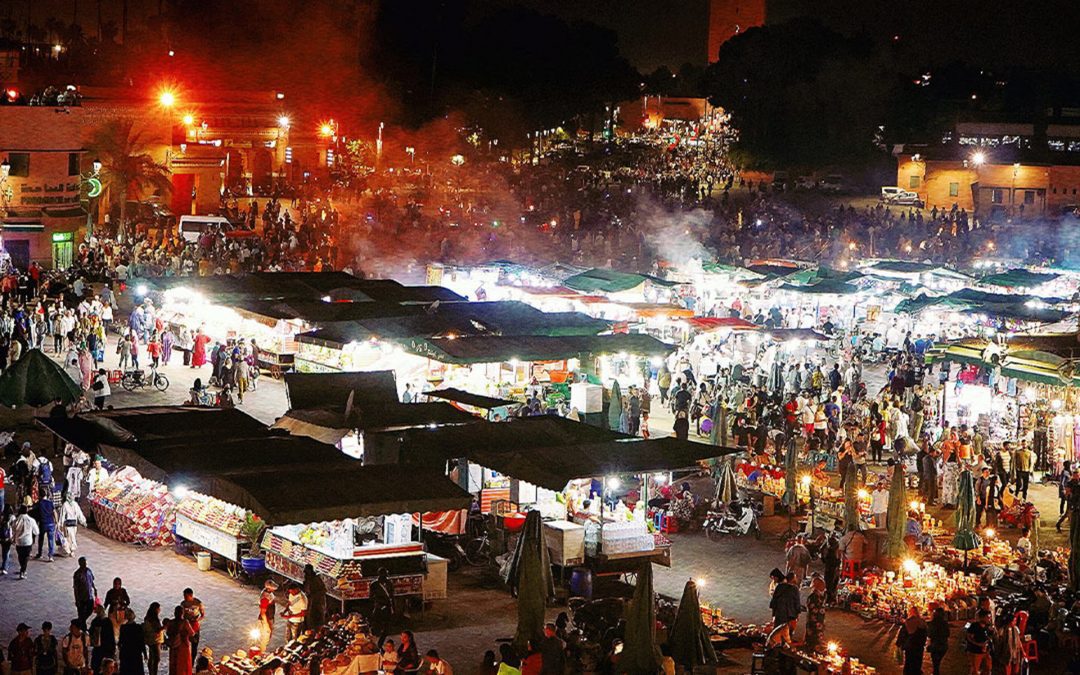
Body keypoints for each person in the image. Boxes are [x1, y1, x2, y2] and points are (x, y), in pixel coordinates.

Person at [896, 606, 927, 675]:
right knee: (917, 662)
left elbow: (902, 634)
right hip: (919, 647)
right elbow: (925, 634)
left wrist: (899, 644)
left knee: (909, 663)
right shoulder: (922, 622)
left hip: (910, 647)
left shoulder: (908, 622)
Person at [12, 504, 39, 579]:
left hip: (19, 542)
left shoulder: (16, 520)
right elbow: (36, 532)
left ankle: (22, 568)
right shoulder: (31, 520)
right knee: (26, 557)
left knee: (20, 556)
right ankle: (23, 570)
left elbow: (13, 530)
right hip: (28, 541)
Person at [165, 606, 193, 675]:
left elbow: (168, 633)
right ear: (182, 613)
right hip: (183, 646)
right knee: (183, 665)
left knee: (174, 664)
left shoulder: (171, 622)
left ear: (175, 613)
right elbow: (191, 633)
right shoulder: (185, 622)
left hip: (173, 647)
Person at [965, 610, 994, 675]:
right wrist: (978, 644)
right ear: (982, 617)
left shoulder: (987, 627)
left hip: (986, 651)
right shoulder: (974, 626)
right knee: (975, 670)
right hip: (976, 652)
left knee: (988, 668)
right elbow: (968, 637)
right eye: (988, 617)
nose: (989, 619)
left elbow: (989, 637)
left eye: (990, 617)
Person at [117, 609, 145, 675]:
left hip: (126, 652)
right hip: (136, 652)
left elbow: (120, 641)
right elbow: (141, 641)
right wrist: (145, 653)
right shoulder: (138, 627)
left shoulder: (123, 628)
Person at [179, 589, 204, 664]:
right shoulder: (183, 604)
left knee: (194, 645)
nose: (184, 597)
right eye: (184, 596)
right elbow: (181, 616)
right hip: (186, 625)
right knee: (184, 645)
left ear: (191, 595)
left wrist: (198, 621)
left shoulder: (198, 603)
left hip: (195, 625)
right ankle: (185, 662)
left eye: (186, 596)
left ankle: (191, 663)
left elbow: (202, 615)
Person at [371, 568, 395, 646]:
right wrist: (380, 603)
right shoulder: (374, 584)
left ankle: (380, 643)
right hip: (379, 608)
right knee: (376, 628)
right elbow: (371, 597)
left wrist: (392, 608)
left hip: (387, 608)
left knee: (386, 628)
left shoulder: (389, 583)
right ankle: (375, 644)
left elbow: (391, 596)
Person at [804, 575, 827, 652]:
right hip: (814, 623)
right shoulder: (813, 597)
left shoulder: (820, 596)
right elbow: (813, 609)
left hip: (818, 623)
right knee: (813, 640)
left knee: (817, 639)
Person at [302, 564, 327, 630]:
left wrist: (313, 595)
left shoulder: (316, 579)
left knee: (316, 618)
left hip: (317, 603)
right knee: (309, 618)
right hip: (310, 602)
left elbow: (323, 590)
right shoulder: (307, 579)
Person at [73, 557, 97, 625]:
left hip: (89, 596)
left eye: (85, 562)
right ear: (80, 563)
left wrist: (94, 588)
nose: (85, 564)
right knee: (81, 613)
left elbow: (91, 580)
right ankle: (81, 624)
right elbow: (76, 588)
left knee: (90, 610)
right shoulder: (77, 574)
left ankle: (80, 621)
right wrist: (77, 600)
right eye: (83, 562)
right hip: (82, 598)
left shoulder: (89, 571)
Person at [143, 604, 164, 675]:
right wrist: (165, 626)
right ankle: (154, 673)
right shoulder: (153, 619)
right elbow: (157, 630)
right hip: (155, 640)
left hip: (150, 640)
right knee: (156, 658)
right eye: (158, 608)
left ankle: (151, 672)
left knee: (152, 657)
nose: (159, 610)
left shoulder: (148, 618)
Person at [257, 579, 277, 651]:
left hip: (269, 618)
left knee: (267, 638)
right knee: (264, 639)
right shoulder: (265, 598)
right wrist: (267, 625)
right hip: (265, 620)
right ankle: (260, 654)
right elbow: (263, 612)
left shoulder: (269, 593)